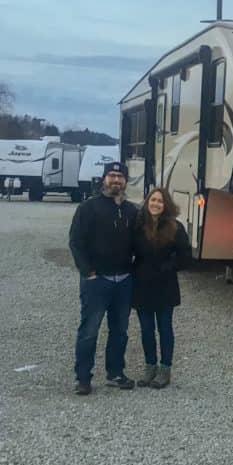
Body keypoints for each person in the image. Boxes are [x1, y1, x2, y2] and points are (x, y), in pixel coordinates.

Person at [68, 161, 138, 395]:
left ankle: (115, 372)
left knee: (120, 331)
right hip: (97, 280)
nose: (116, 180)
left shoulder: (131, 211)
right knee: (89, 330)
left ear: (125, 181)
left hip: (124, 280)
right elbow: (76, 242)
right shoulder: (88, 208)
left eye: (120, 176)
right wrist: (87, 271)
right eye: (112, 175)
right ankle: (83, 378)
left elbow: (141, 243)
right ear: (104, 179)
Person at [131, 187, 192, 389]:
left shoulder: (175, 227)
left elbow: (186, 257)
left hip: (165, 285)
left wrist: (169, 266)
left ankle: (165, 369)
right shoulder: (138, 225)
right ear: (147, 202)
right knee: (147, 329)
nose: (155, 204)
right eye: (153, 200)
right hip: (142, 284)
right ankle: (150, 367)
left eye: (160, 201)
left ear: (166, 205)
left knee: (165, 328)